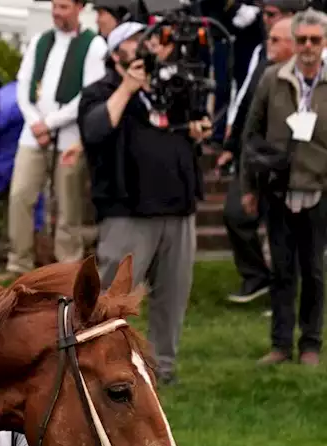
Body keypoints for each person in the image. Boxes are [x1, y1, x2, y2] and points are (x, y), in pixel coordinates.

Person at [80, 22, 208, 385]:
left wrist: (198, 128)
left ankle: (162, 368)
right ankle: (96, 363)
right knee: (112, 298)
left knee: (173, 296)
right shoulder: (100, 91)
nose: (145, 46)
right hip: (128, 212)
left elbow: (190, 132)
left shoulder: (169, 90)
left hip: (179, 209)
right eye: (134, 41)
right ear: (116, 50)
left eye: (148, 40)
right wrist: (127, 87)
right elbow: (95, 131)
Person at [240, 9, 327, 367]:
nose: (308, 46)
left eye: (315, 40)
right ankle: (279, 344)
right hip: (278, 189)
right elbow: (252, 134)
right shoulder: (273, 79)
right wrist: (249, 187)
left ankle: (310, 344)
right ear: (294, 41)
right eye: (302, 39)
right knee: (281, 271)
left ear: (324, 43)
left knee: (315, 272)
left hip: (320, 190)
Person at [2, 0, 108, 281]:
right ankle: (19, 263)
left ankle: (67, 268)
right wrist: (35, 121)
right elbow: (23, 85)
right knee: (20, 195)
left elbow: (88, 95)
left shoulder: (93, 45)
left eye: (63, 6)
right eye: (55, 6)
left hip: (69, 136)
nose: (57, 12)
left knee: (68, 204)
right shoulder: (40, 41)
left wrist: (50, 123)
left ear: (79, 7)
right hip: (33, 132)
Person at [220, 0, 307, 304]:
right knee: (236, 214)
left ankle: (289, 299)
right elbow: (246, 103)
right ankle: (257, 278)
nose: (265, 22)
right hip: (257, 156)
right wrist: (231, 146)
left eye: (271, 15)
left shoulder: (314, 65)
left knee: (289, 233)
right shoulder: (262, 55)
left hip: (298, 162)